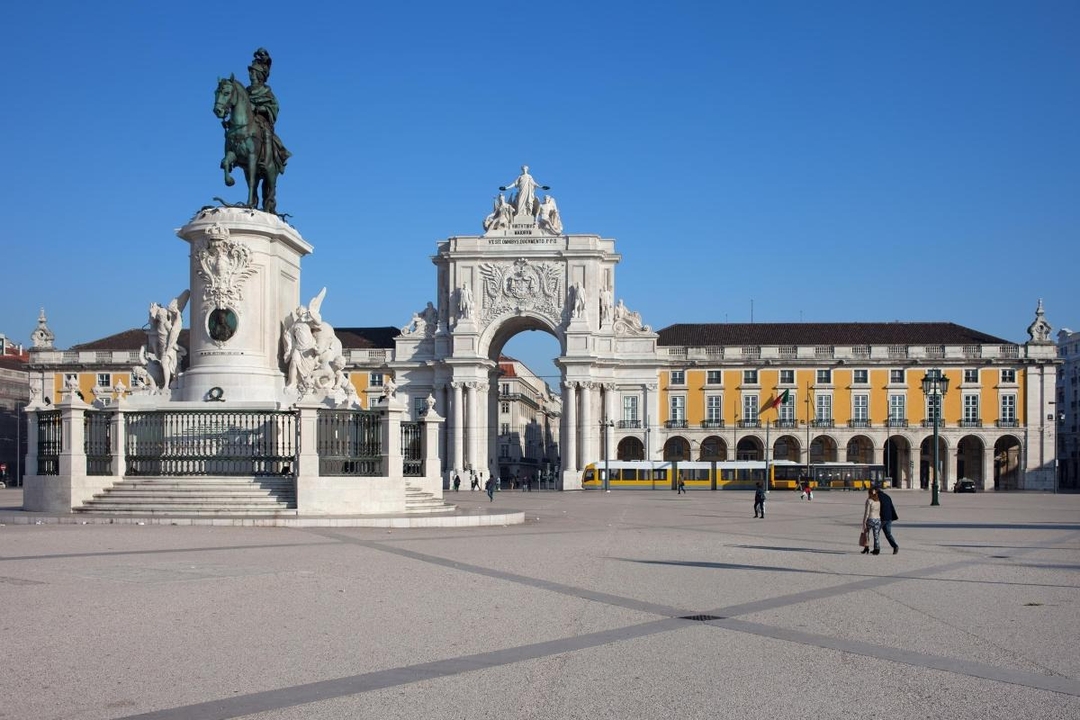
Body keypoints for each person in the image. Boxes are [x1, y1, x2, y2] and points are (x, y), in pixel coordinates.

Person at [878, 487, 900, 554]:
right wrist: (894, 517)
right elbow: (891, 507)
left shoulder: (877, 497)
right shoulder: (887, 496)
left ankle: (877, 549)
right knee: (888, 534)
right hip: (889, 518)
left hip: (881, 518)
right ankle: (895, 546)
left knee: (876, 533)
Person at [862, 487, 882, 555]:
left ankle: (866, 547)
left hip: (870, 519)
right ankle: (877, 549)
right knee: (876, 535)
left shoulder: (869, 501)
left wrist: (864, 521)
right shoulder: (878, 501)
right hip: (878, 519)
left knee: (866, 534)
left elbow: (867, 512)